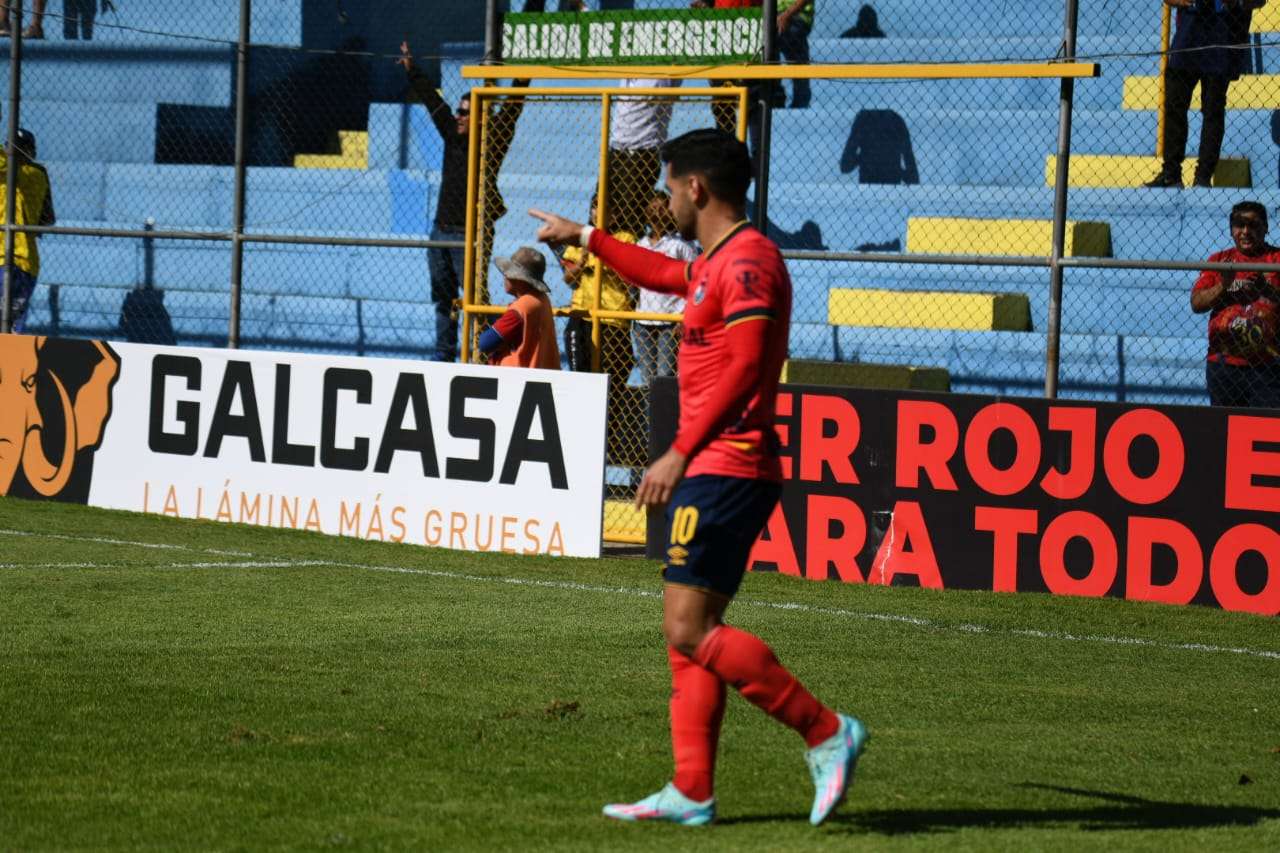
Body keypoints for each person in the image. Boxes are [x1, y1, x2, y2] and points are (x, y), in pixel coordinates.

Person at [531, 128, 867, 827]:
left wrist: (680, 448)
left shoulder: (749, 263)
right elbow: (661, 275)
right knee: (687, 629)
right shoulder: (718, 261)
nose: (664, 199)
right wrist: (586, 235)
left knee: (689, 628)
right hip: (714, 463)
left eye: (668, 184)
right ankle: (692, 789)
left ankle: (825, 730)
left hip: (727, 462)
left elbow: (747, 363)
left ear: (695, 188)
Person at [398, 42, 530, 363]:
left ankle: (483, 354)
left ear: (481, 118)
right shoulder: (453, 136)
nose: (458, 116)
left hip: (468, 235)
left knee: (474, 297)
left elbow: (511, 108)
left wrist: (523, 76)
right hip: (440, 231)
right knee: (444, 299)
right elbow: (433, 102)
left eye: (465, 113)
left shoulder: (491, 143)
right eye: (458, 111)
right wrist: (412, 69)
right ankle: (443, 356)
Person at [1145, 0, 1266, 189]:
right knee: (1174, 104)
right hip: (1188, 36)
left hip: (1223, 37)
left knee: (1213, 109)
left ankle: (1203, 177)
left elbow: (1259, 1)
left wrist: (1237, 2)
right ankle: (1171, 174)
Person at [1191, 200, 1280, 406]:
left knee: (1266, 431)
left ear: (1266, 228)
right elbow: (1196, 303)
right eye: (1240, 225)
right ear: (1231, 229)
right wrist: (1224, 285)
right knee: (1223, 429)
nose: (1246, 231)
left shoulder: (1276, 259)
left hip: (1268, 367)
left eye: (1254, 225)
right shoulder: (1220, 260)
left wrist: (1266, 290)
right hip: (1223, 366)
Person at [633, 192, 696, 384]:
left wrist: (685, 315)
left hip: (670, 321)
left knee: (664, 376)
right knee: (646, 379)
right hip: (643, 320)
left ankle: (663, 414)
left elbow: (696, 282)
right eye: (652, 208)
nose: (657, 213)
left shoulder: (680, 245)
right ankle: (648, 415)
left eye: (661, 208)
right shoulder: (641, 245)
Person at [609, 77, 680, 235]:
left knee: (630, 218)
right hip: (617, 146)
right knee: (603, 210)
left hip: (641, 151)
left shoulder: (665, 72)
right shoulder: (630, 70)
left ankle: (631, 254)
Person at [1, 128, 55, 333]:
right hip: (25, 260)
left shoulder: (11, 170)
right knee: (13, 324)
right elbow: (48, 219)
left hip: (11, 257)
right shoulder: (38, 173)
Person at [478, 246, 561, 370]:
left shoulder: (521, 307)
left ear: (520, 279)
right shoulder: (541, 299)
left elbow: (485, 343)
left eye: (508, 273)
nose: (505, 276)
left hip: (518, 376)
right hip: (540, 373)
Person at [776, 0, 815, 109]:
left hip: (798, 16)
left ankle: (801, 101)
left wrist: (786, 15)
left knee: (793, 38)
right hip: (772, 15)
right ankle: (775, 96)